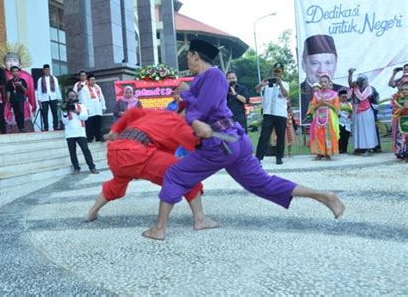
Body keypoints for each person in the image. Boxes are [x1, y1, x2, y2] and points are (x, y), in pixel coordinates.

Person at [142, 39, 345, 240]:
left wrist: (188, 99)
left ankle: (159, 229)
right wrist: (187, 95)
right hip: (231, 140)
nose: (186, 61)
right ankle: (323, 196)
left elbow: (203, 109)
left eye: (188, 56)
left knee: (175, 174)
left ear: (196, 55)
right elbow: (197, 104)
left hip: (220, 142)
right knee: (262, 184)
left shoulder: (214, 75)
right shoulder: (201, 79)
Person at [85, 106, 219, 232]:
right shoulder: (181, 125)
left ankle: (92, 212)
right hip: (137, 153)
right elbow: (200, 146)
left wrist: (115, 130)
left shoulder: (158, 112)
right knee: (186, 174)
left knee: (117, 183)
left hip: (115, 152)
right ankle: (200, 219)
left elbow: (133, 112)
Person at [300, 35, 347, 122]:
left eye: (328, 63)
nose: (322, 70)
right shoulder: (298, 92)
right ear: (304, 65)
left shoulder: (344, 91)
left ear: (336, 64)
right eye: (315, 63)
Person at [255, 63, 290, 165]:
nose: (276, 73)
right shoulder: (267, 83)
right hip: (268, 113)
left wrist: (280, 84)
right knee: (264, 135)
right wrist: (262, 84)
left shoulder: (285, 84)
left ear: (282, 72)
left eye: (279, 71)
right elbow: (257, 89)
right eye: (275, 71)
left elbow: (286, 95)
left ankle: (279, 157)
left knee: (280, 136)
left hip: (280, 114)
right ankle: (258, 157)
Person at [61, 89, 99, 175]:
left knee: (85, 150)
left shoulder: (81, 106)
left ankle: (92, 167)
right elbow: (65, 122)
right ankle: (76, 168)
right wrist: (65, 112)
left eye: (73, 96)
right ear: (67, 98)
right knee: (72, 152)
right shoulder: (65, 107)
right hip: (70, 133)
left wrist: (76, 112)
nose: (71, 98)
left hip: (80, 132)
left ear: (76, 97)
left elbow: (85, 117)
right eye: (70, 96)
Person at [306, 75, 340, 160]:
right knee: (318, 134)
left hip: (329, 117)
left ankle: (328, 153)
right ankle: (319, 153)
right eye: (322, 82)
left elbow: (337, 108)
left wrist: (327, 103)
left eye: (325, 82)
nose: (323, 83)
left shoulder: (334, 94)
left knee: (328, 134)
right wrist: (320, 104)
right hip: (318, 117)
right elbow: (312, 107)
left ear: (329, 83)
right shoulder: (317, 94)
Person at [347, 69, 378, 155]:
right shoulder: (356, 88)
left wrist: (356, 89)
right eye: (359, 80)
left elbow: (362, 97)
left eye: (362, 80)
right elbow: (348, 96)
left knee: (367, 130)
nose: (361, 81)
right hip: (357, 112)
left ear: (365, 80)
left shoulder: (369, 88)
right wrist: (352, 87)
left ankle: (368, 148)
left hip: (367, 111)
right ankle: (359, 148)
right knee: (358, 131)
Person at [36, 64, 62, 131]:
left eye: (48, 69)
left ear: (50, 70)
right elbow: (39, 90)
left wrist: (59, 98)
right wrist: (39, 99)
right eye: (46, 69)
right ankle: (46, 128)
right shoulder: (40, 79)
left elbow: (57, 88)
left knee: (55, 113)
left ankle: (55, 127)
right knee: (45, 114)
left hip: (53, 98)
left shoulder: (54, 78)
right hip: (44, 98)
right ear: (43, 70)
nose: (47, 71)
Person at [84, 74, 107, 142]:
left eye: (94, 80)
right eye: (91, 80)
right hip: (90, 110)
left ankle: (98, 138)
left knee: (98, 125)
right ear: (88, 81)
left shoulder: (97, 87)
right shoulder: (85, 89)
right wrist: (86, 109)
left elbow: (101, 97)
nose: (93, 81)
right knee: (90, 126)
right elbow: (84, 100)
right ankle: (90, 138)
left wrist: (103, 106)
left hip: (98, 109)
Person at [6, 66, 27, 132]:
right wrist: (8, 101)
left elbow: (25, 90)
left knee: (21, 112)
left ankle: (22, 127)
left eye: (16, 71)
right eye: (14, 71)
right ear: (11, 72)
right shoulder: (9, 82)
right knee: (16, 113)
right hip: (13, 99)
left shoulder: (22, 80)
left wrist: (20, 85)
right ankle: (19, 128)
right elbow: (8, 92)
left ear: (18, 72)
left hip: (20, 99)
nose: (15, 72)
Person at [391, 78, 408, 161]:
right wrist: (401, 109)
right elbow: (393, 109)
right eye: (403, 89)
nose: (404, 90)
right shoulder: (396, 98)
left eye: (406, 89)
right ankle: (402, 154)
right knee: (402, 138)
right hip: (401, 120)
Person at [338, 90, 353, 154]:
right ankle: (339, 150)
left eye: (345, 97)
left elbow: (351, 112)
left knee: (346, 137)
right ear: (339, 97)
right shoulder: (337, 104)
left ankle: (344, 150)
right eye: (342, 97)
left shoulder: (349, 104)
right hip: (339, 122)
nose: (344, 98)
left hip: (347, 123)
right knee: (340, 137)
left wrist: (350, 114)